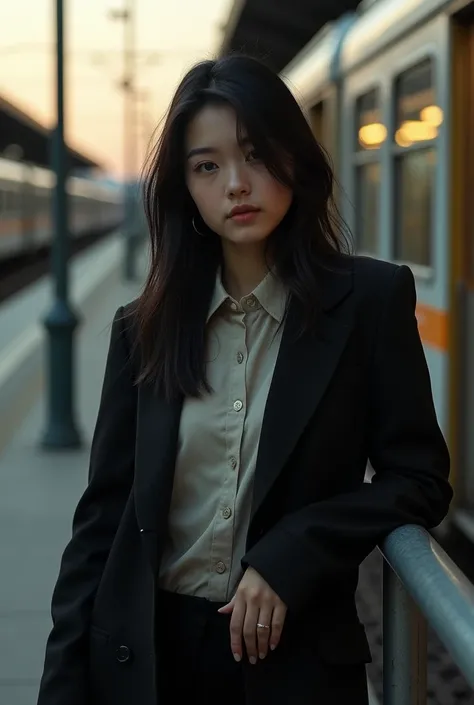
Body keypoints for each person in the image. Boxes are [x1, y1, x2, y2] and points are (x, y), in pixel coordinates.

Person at [36, 54, 452, 705]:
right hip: (148, 660)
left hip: (295, 664)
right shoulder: (140, 328)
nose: (236, 184)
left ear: (295, 161)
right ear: (186, 189)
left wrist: (291, 552)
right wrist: (62, 683)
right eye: (208, 166)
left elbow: (419, 478)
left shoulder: (369, 303)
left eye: (256, 155)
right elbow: (102, 523)